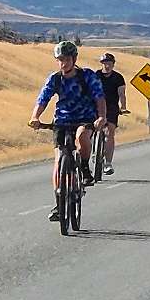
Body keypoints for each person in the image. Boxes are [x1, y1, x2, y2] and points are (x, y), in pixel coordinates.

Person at [30, 41, 105, 219]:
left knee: (82, 137)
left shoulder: (87, 76)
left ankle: (85, 168)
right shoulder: (55, 78)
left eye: (66, 59)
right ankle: (59, 203)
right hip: (62, 121)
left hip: (85, 117)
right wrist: (35, 117)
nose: (63, 63)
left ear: (74, 59)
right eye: (60, 60)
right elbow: (43, 99)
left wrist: (101, 117)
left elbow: (99, 97)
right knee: (59, 161)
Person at [96, 52, 126, 171]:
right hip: (96, 106)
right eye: (104, 63)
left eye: (109, 63)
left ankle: (108, 163)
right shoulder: (96, 75)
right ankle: (92, 151)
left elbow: (122, 94)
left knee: (110, 132)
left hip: (112, 107)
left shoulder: (118, 78)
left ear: (113, 64)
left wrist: (123, 107)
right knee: (89, 129)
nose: (107, 66)